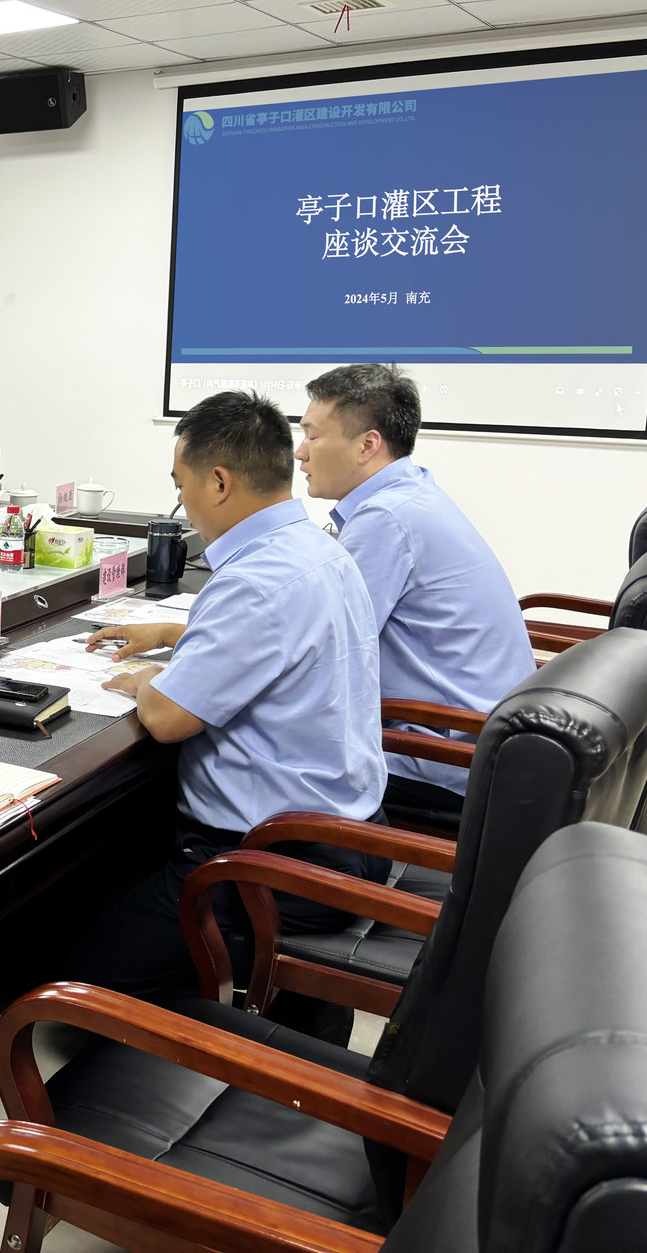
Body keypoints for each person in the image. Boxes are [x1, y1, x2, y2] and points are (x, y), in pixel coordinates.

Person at [68, 390, 387, 1039]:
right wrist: (176, 637)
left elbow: (167, 718)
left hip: (267, 866)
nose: (181, 504)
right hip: (348, 834)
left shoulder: (254, 581)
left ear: (219, 482)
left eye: (180, 486)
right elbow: (274, 646)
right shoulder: (318, 549)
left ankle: (241, 1030)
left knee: (82, 986)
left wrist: (149, 679)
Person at [296, 364, 532, 822]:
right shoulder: (410, 492)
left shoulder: (386, 519)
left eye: (312, 435)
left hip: (443, 757)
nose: (300, 453)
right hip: (482, 736)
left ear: (367, 445)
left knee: (244, 749)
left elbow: (319, 653)